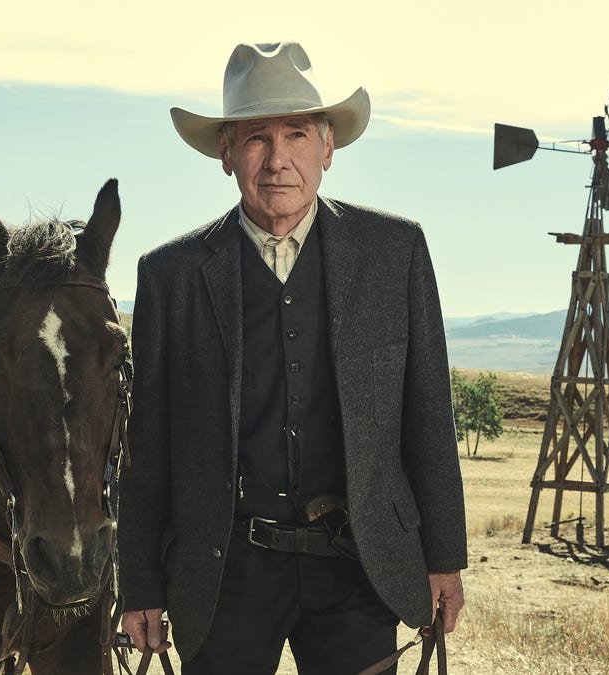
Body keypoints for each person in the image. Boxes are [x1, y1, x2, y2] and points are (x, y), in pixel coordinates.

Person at [118, 41, 467, 674]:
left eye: (297, 135)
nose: (278, 159)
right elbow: (147, 444)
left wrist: (445, 555)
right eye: (256, 138)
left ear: (328, 148)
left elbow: (428, 415)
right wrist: (139, 582)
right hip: (222, 573)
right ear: (226, 154)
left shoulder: (396, 252)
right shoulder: (169, 275)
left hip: (360, 568)